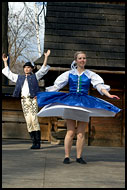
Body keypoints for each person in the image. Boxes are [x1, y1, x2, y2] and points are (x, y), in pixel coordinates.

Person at [36, 51, 121, 163]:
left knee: (81, 133)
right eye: (80, 58)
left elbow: (99, 86)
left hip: (84, 103)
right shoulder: (69, 74)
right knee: (70, 132)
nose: (82, 60)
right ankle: (67, 156)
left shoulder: (90, 74)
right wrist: (44, 95)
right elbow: (56, 86)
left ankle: (79, 157)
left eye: (84, 58)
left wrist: (109, 95)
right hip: (71, 102)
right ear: (76, 60)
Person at [2, 50, 51, 149]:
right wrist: (5, 61)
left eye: (28, 67)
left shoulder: (34, 77)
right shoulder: (19, 78)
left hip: (32, 99)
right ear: (23, 69)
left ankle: (38, 142)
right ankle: (33, 142)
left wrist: (46, 57)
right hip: (24, 100)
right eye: (25, 67)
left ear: (31, 69)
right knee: (28, 121)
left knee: (34, 119)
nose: (27, 69)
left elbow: (42, 70)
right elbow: (9, 74)